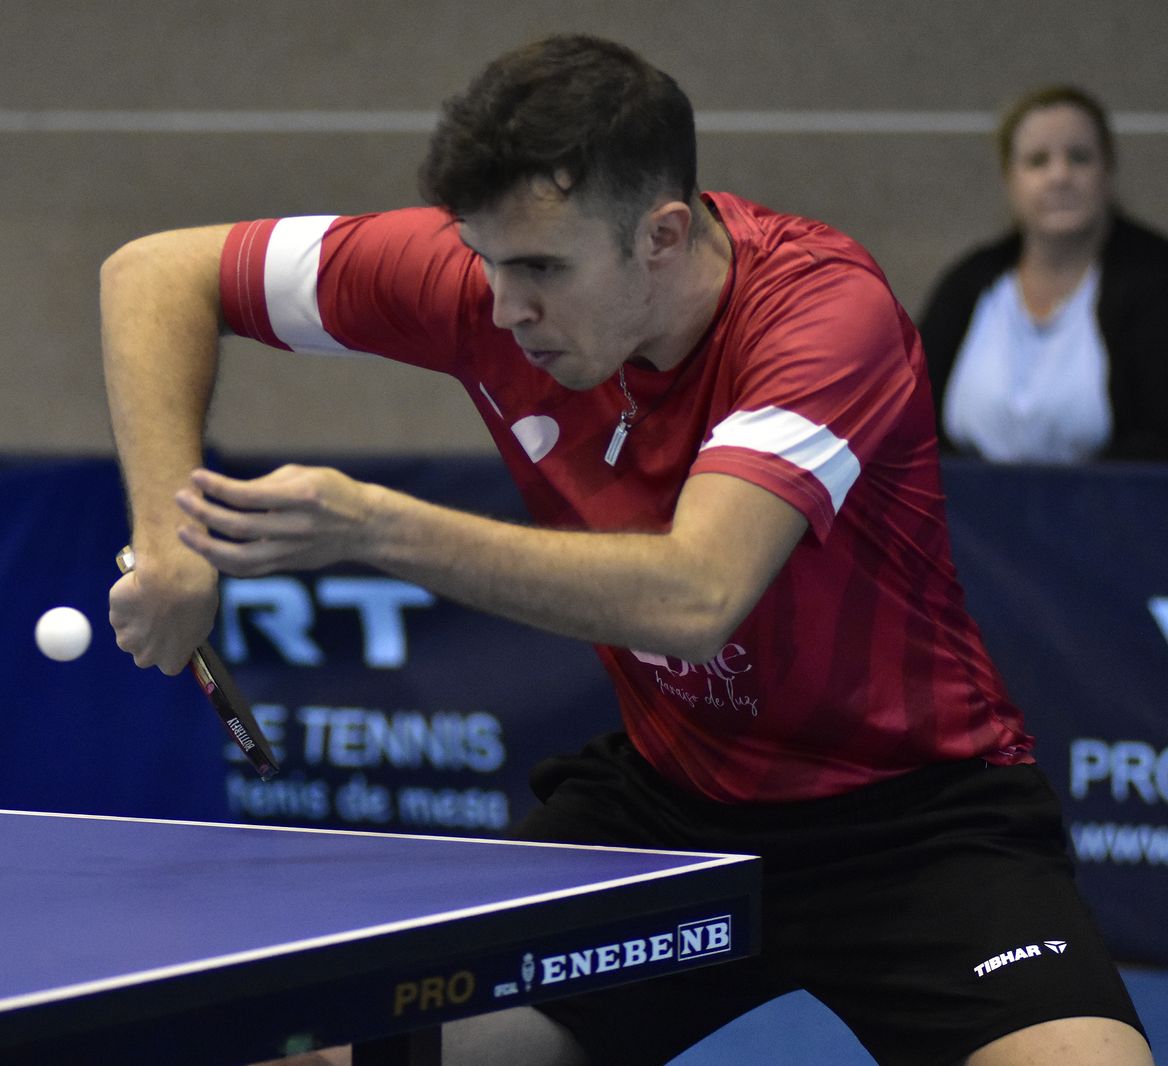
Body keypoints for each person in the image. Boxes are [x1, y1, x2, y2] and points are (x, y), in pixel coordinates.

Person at [101, 35, 1152, 1066]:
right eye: (483, 259)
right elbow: (155, 273)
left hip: (917, 822)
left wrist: (374, 526)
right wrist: (170, 543)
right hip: (667, 811)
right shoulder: (487, 283)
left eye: (540, 269)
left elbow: (697, 596)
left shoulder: (822, 315)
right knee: (307, 1045)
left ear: (662, 235)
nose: (502, 306)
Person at [918, 84, 1168, 463]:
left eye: (1079, 157)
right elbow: (908, 417)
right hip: (965, 500)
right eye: (1037, 161)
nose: (1059, 176)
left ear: (1108, 169)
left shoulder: (1156, 278)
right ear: (1009, 178)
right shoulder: (968, 283)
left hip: (1121, 501)